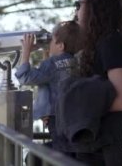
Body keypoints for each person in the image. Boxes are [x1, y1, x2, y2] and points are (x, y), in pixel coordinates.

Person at [73, 0, 122, 166]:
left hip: (104, 150)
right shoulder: (103, 43)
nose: (76, 11)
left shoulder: (111, 43)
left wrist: (78, 106)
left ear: (95, 8)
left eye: (79, 4)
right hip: (95, 145)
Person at [15, 20, 80, 150]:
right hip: (74, 116)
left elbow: (25, 77)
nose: (49, 43)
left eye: (52, 40)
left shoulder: (51, 64)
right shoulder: (77, 62)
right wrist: (47, 53)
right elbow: (56, 80)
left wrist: (26, 51)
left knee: (61, 153)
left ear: (61, 46)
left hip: (55, 118)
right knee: (68, 150)